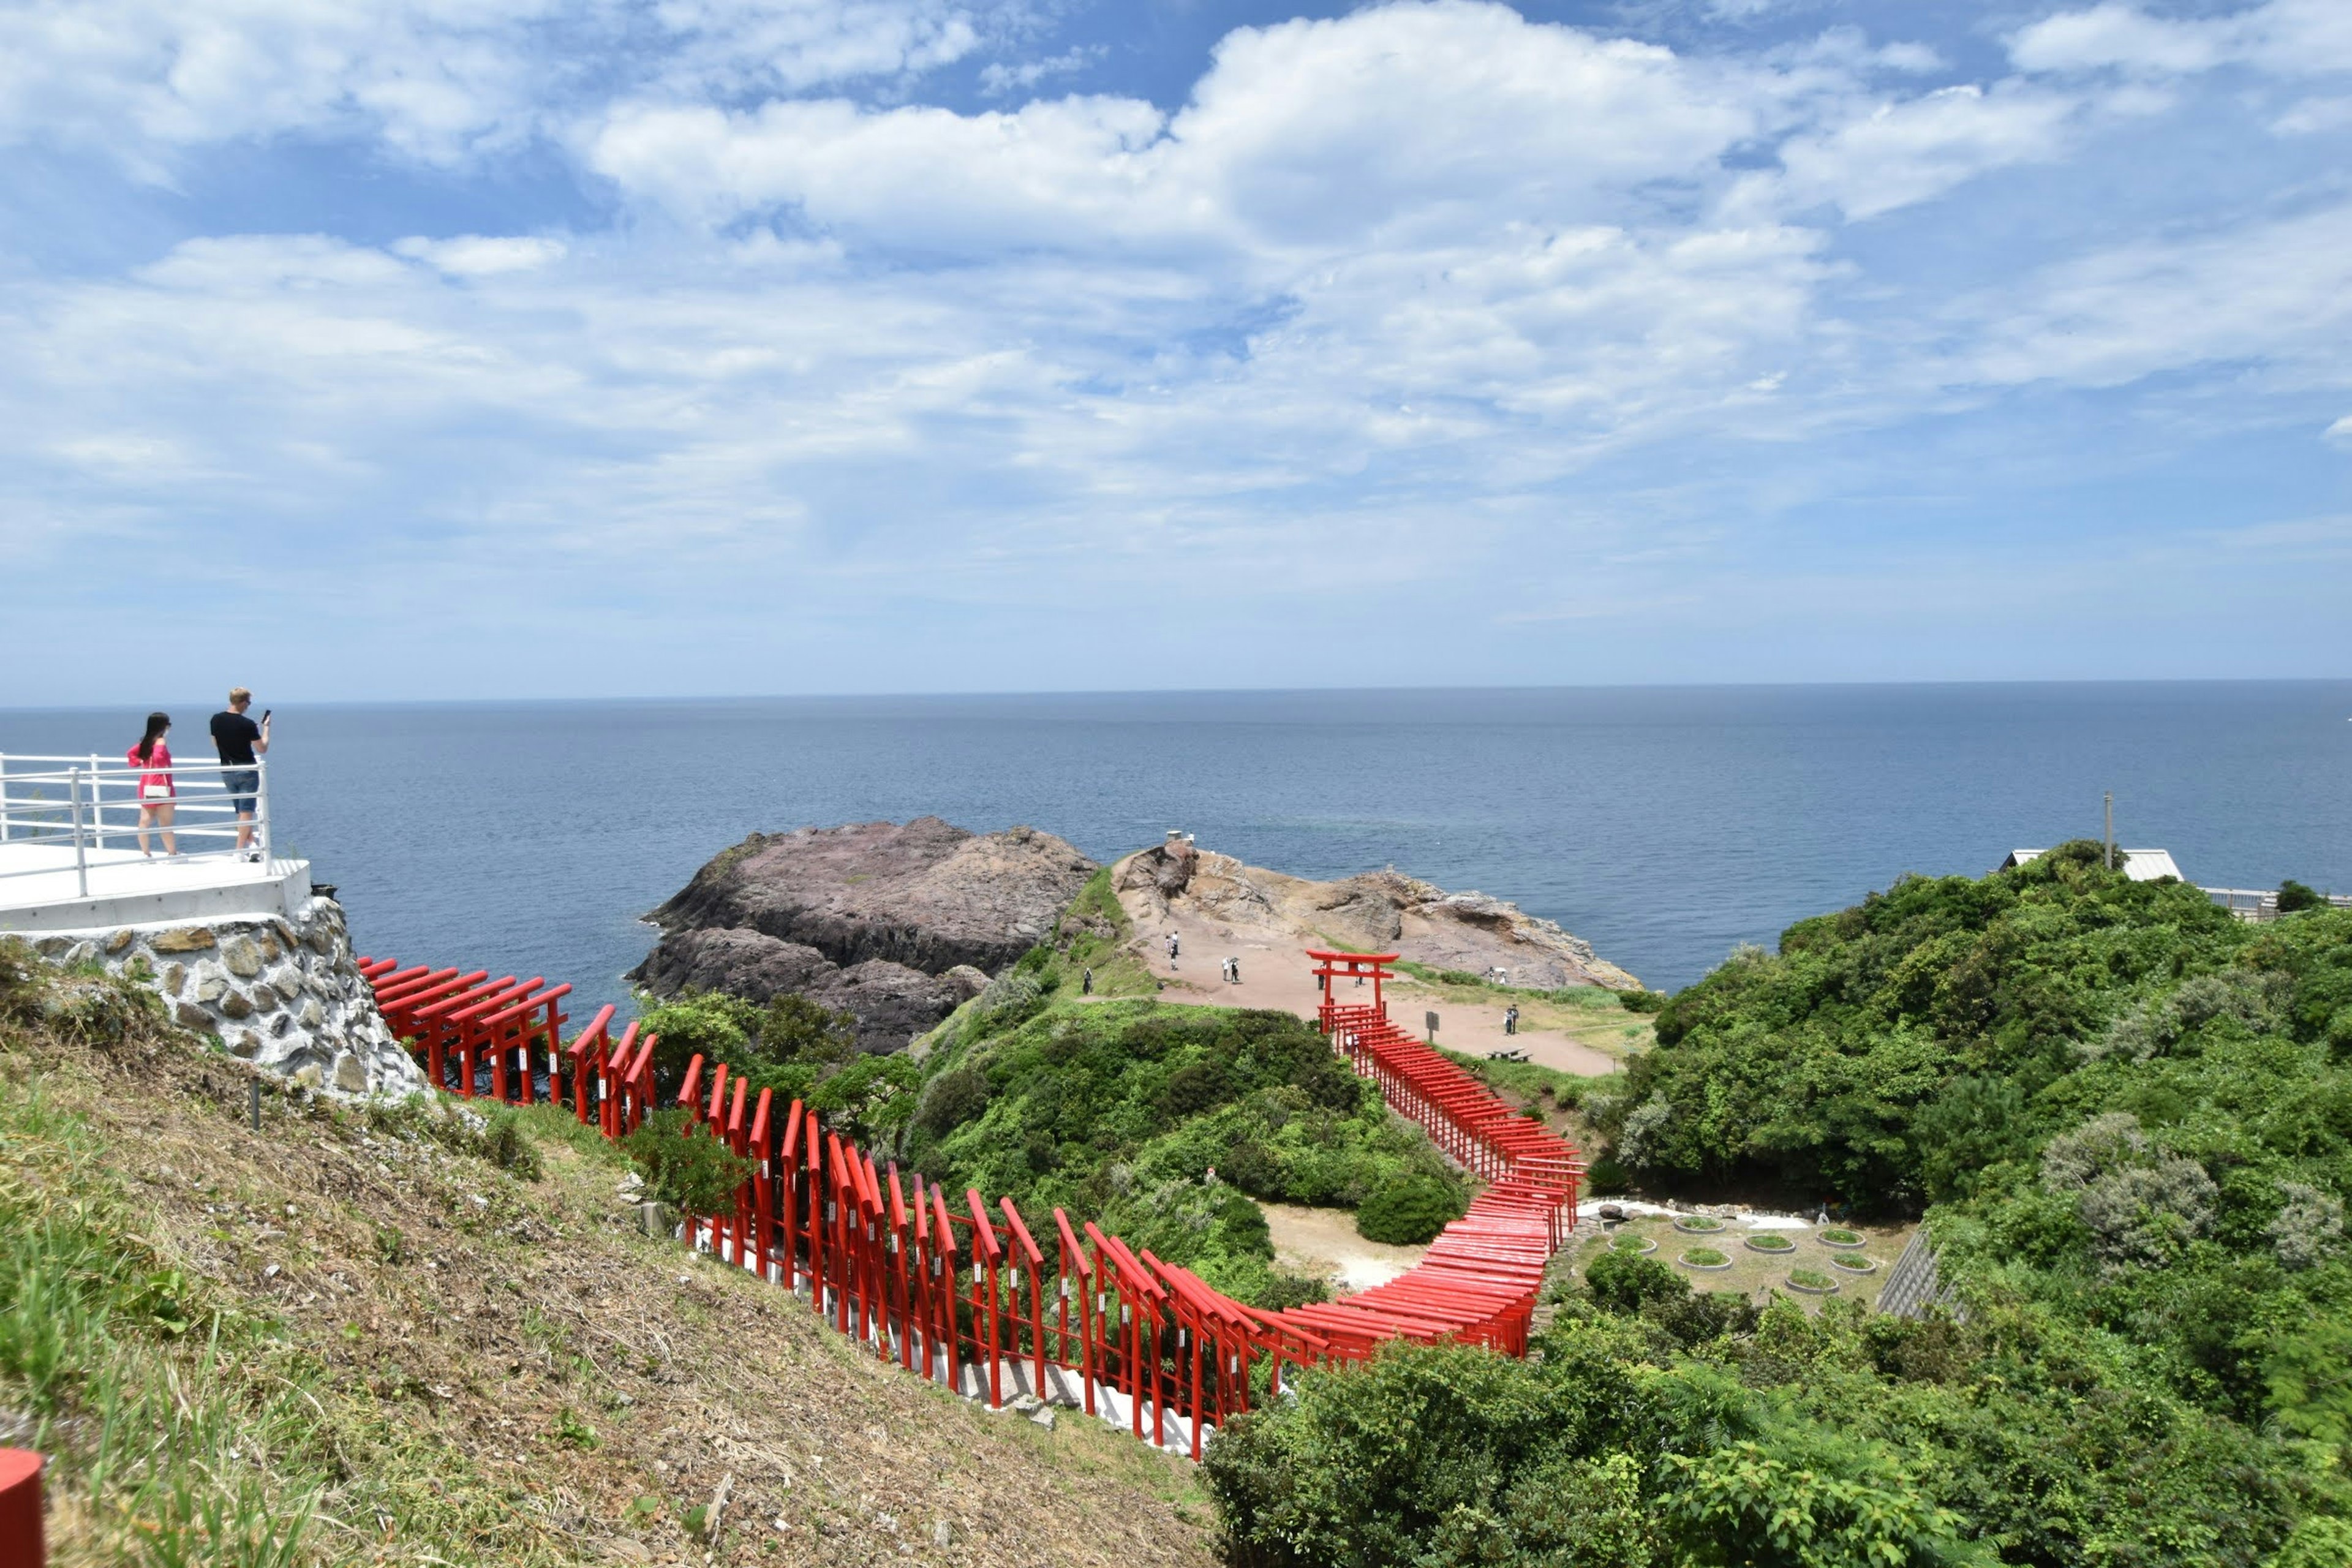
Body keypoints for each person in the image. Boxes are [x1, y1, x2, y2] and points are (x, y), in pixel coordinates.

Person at [209, 688, 270, 861]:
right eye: (249, 703)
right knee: (246, 811)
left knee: (241, 812)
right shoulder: (248, 724)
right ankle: (239, 851)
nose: (248, 706)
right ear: (243, 702)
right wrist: (266, 729)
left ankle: (252, 845)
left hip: (227, 771)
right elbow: (262, 748)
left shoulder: (216, 719)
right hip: (247, 771)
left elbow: (216, 743)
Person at [127, 712, 177, 857]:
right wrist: (161, 750)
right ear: (163, 726)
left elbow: (131, 754)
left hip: (146, 784)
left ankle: (146, 854)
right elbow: (159, 758)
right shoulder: (160, 742)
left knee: (145, 821)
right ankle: (172, 854)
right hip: (162, 784)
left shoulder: (145, 742)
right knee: (165, 823)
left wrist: (141, 762)